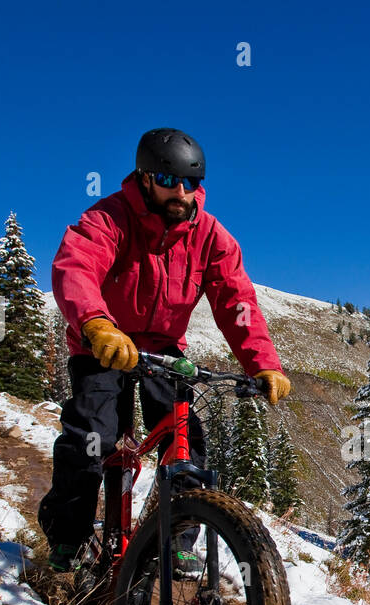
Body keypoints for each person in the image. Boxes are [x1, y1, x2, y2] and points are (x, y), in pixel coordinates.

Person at [38, 127, 291, 572]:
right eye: (169, 180)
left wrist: (264, 364)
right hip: (102, 341)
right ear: (144, 176)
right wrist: (97, 324)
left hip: (163, 349)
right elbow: (75, 267)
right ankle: (67, 536)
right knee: (91, 439)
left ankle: (177, 538)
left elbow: (237, 303)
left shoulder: (211, 237)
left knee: (184, 442)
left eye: (191, 183)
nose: (181, 192)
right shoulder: (109, 218)